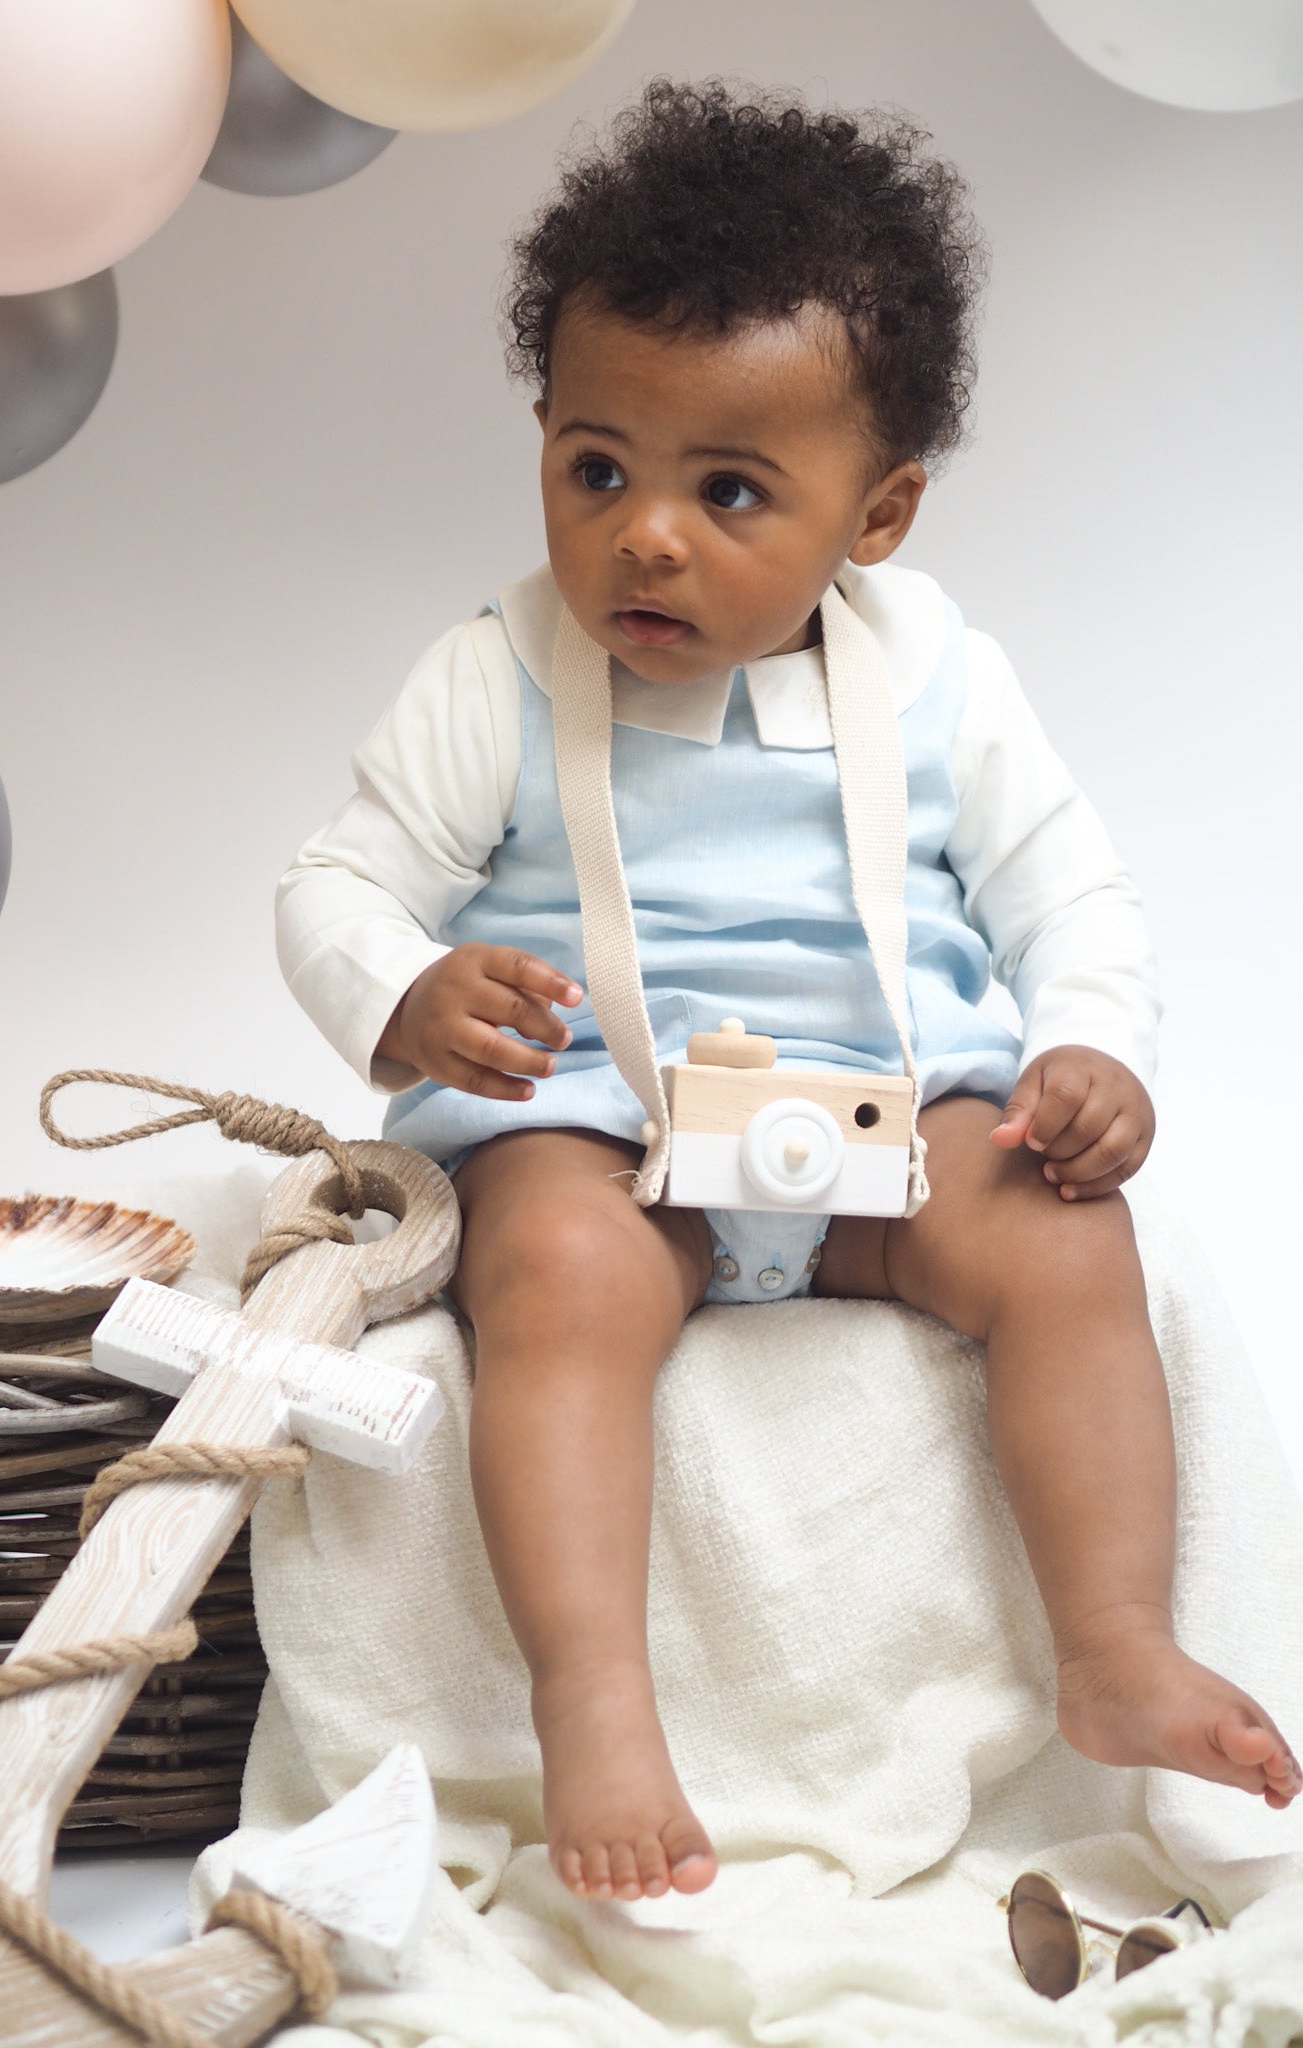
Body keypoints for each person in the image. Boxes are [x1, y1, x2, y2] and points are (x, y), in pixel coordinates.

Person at [277, 79, 1299, 1906]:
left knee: (1071, 1244)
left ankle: (1115, 1642)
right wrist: (406, 986)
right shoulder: (491, 670)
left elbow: (1072, 890)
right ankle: (596, 1697)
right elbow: (334, 878)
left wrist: (1088, 1051)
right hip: (608, 1133)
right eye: (597, 467)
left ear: (878, 513)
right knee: (552, 1273)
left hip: (875, 1147)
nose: (643, 537)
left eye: (727, 490)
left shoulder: (941, 678)